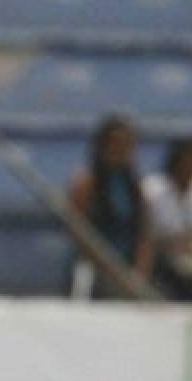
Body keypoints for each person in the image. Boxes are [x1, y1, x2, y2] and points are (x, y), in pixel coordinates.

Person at [68, 115, 154, 298]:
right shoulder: (86, 183)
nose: (119, 149)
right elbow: (78, 232)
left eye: (125, 144)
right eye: (114, 143)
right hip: (93, 265)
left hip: (128, 266)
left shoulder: (135, 186)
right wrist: (110, 269)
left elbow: (144, 232)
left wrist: (138, 270)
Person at [142, 139, 192, 302]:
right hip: (162, 264)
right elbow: (146, 234)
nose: (188, 168)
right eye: (183, 163)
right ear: (173, 163)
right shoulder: (152, 189)